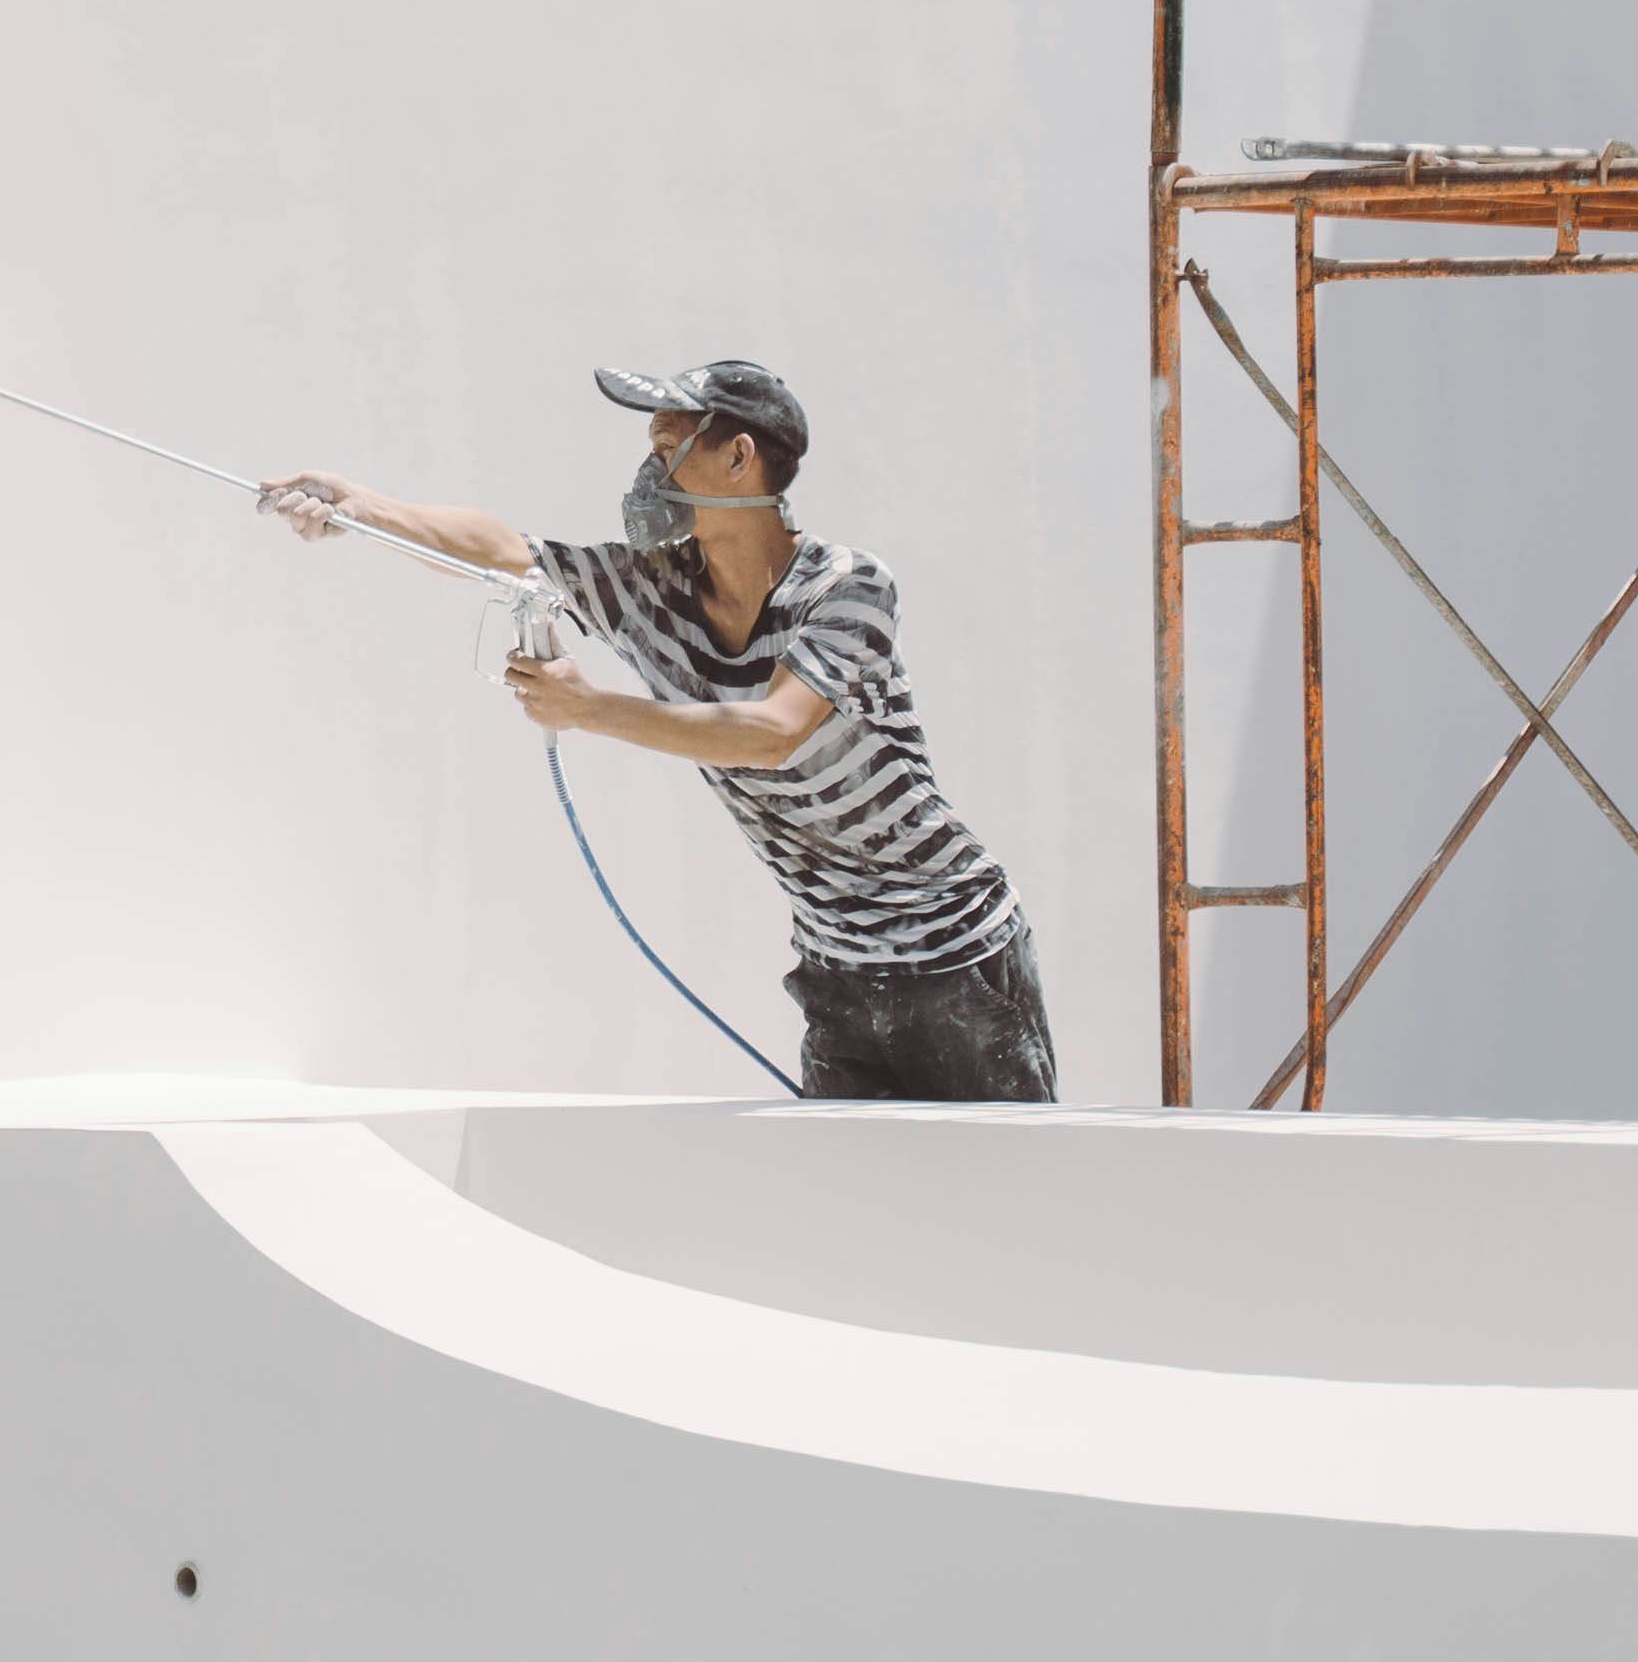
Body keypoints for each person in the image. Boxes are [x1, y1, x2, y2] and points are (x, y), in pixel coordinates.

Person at [260, 356, 1053, 1103]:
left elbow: (773, 731)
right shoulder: (653, 590)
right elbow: (507, 551)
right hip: (836, 970)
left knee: (1012, 1206)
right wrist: (361, 507)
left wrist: (589, 707)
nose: (649, 472)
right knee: (849, 1221)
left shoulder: (846, 588)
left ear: (738, 456)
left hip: (958, 959)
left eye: (669, 447)